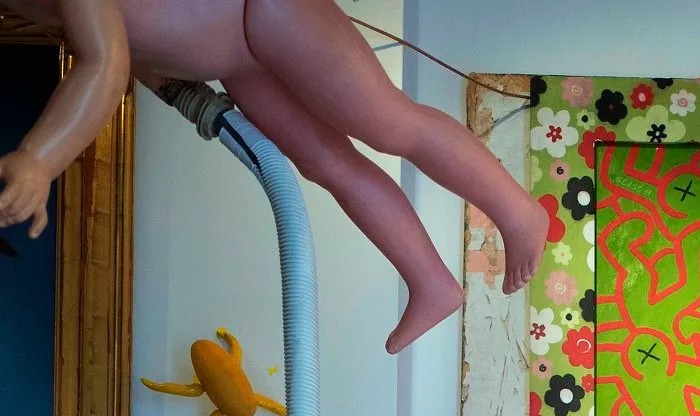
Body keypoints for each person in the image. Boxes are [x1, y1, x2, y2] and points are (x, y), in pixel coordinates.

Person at [0, 0, 546, 354]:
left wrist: (39, 158)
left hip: (267, 14)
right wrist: (186, 96)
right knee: (326, 165)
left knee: (390, 123)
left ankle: (520, 213)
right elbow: (136, 46)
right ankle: (430, 281)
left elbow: (105, 61)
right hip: (236, 62)